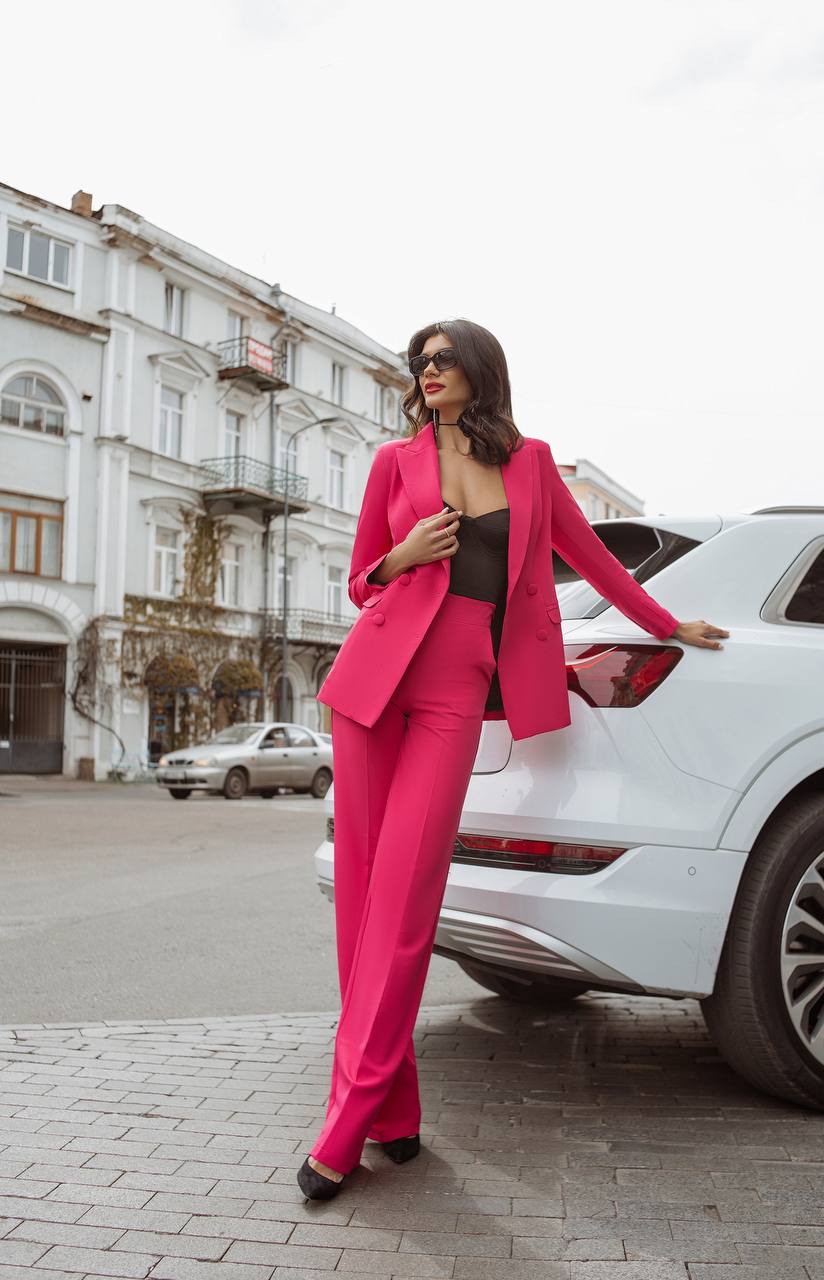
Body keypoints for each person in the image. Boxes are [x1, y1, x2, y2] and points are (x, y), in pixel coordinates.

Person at [298, 318, 729, 1200]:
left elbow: (593, 559)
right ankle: (392, 1111)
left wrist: (666, 625)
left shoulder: (529, 463)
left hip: (455, 690)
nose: (428, 372)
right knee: (363, 909)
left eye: (443, 359)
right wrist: (399, 556)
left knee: (409, 906)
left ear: (479, 370)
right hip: (372, 683)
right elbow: (356, 583)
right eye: (420, 363)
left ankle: (346, 1121)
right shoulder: (392, 463)